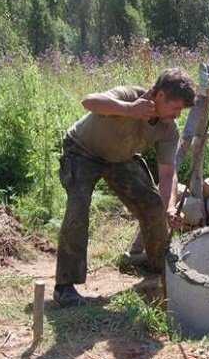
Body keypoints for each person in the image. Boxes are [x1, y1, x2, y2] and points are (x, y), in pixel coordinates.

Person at [54, 68, 196, 307]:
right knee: (78, 208)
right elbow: (89, 101)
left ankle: (158, 267)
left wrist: (169, 208)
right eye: (175, 108)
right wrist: (128, 110)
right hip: (81, 151)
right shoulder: (129, 96)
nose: (178, 115)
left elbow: (168, 172)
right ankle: (65, 287)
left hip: (119, 159)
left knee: (153, 205)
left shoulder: (168, 129)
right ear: (159, 96)